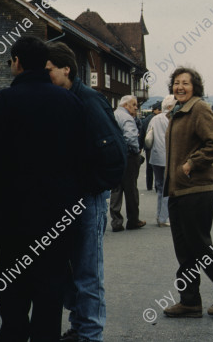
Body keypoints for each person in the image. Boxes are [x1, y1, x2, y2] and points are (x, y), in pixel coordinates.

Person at [0, 36, 87, 342]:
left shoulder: (0, 104)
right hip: (57, 215)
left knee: (13, 296)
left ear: (16, 62)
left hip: (13, 216)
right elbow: (83, 158)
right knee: (49, 295)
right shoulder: (70, 103)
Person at [46, 42, 125, 342]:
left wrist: (92, 187)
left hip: (88, 198)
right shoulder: (67, 98)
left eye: (49, 71)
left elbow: (114, 152)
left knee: (88, 270)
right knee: (72, 267)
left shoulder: (88, 100)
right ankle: (80, 325)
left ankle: (90, 334)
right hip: (73, 195)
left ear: (66, 68)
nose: (46, 77)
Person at [163, 67, 213, 318]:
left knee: (199, 244)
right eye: (176, 83)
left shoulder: (199, 109)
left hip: (197, 189)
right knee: (184, 248)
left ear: (195, 87)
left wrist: (191, 163)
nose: (180, 87)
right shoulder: (177, 112)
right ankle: (189, 301)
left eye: (185, 83)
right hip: (179, 190)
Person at [110, 95, 146, 232]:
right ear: (126, 105)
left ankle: (116, 221)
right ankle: (133, 220)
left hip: (116, 156)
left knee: (116, 189)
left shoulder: (114, 114)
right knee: (131, 189)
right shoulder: (127, 118)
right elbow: (131, 137)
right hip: (129, 156)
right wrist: (137, 151)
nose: (136, 107)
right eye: (134, 104)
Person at [146, 95, 176, 227]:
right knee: (167, 188)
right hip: (168, 157)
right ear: (170, 107)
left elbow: (148, 137)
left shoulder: (154, 119)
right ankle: (164, 217)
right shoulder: (172, 119)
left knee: (159, 187)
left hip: (155, 156)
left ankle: (159, 215)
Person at [140, 102, 161, 191]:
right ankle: (157, 185)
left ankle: (149, 185)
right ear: (155, 110)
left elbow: (142, 133)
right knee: (156, 165)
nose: (160, 111)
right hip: (156, 145)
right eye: (159, 109)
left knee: (149, 166)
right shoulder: (157, 119)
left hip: (148, 145)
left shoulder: (146, 119)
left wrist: (140, 146)